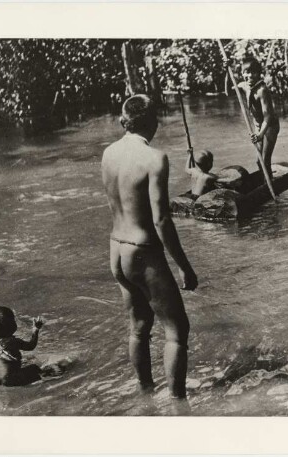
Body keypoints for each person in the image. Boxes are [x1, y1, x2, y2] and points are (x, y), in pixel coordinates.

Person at [102, 94, 198, 400]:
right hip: (143, 253)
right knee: (177, 330)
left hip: (116, 250)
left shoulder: (109, 153)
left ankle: (145, 397)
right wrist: (184, 266)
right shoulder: (155, 158)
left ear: (124, 121)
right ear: (152, 121)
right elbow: (161, 221)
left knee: (139, 328)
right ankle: (178, 407)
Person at [238, 57, 280, 178]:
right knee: (258, 161)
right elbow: (227, 91)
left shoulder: (262, 90)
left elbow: (268, 116)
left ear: (258, 73)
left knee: (265, 160)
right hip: (258, 126)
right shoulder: (243, 86)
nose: (250, 75)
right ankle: (264, 180)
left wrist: (261, 134)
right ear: (242, 73)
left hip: (270, 126)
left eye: (253, 72)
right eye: (246, 72)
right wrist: (226, 71)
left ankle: (269, 183)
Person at [0, 306, 46, 386]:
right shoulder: (12, 341)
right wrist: (36, 329)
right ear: (11, 326)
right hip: (10, 379)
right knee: (35, 368)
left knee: (22, 360)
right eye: (13, 319)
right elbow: (31, 346)